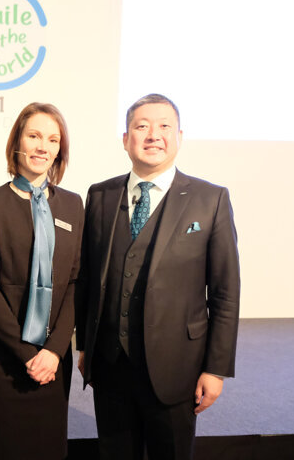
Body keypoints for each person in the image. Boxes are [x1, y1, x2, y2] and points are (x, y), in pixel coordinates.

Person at [75, 94, 240, 460]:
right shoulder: (100, 195)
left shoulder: (209, 199)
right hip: (110, 363)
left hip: (177, 367)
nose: (153, 135)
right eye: (142, 126)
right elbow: (87, 276)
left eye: (164, 126)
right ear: (125, 139)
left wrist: (216, 368)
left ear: (179, 136)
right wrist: (84, 345)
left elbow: (225, 293)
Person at [0, 103, 83, 460]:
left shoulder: (73, 205)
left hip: (52, 363)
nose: (42, 146)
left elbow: (78, 282)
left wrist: (53, 352)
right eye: (34, 135)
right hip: (3, 359)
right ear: (17, 141)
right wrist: (27, 354)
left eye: (52, 139)